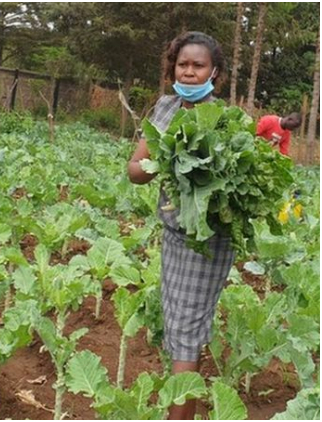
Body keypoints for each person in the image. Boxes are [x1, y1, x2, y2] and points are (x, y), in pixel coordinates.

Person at [127, 31, 231, 420]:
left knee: (185, 327)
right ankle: (185, 404)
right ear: (173, 67)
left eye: (198, 65)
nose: (188, 72)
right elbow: (134, 170)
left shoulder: (225, 119)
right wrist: (162, 159)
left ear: (213, 71)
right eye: (182, 64)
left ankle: (179, 415)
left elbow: (230, 186)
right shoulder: (165, 108)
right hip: (175, 233)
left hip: (206, 238)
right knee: (183, 322)